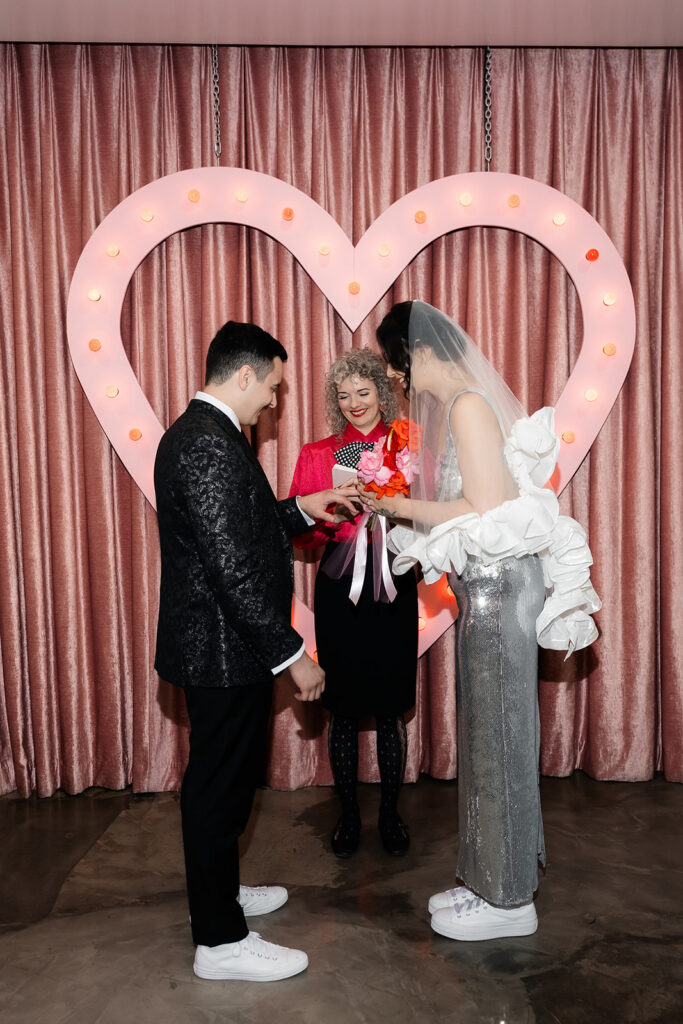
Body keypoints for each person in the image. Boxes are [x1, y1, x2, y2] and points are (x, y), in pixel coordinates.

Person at [363, 300, 601, 941]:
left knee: (499, 740)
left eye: (392, 364)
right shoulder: (465, 404)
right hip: (487, 591)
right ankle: (486, 877)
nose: (392, 378)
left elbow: (484, 504)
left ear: (418, 354)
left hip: (499, 593)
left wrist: (394, 502)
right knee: (487, 736)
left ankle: (510, 899)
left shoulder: (467, 404)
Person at [154, 320, 357, 981]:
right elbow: (231, 566)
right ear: (243, 376)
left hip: (226, 646)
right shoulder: (206, 445)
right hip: (222, 648)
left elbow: (244, 522)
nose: (273, 401)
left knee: (231, 781)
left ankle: (222, 892)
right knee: (216, 789)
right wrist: (290, 652)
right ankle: (218, 941)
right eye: (270, 387)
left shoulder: (209, 436)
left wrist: (300, 506)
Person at [289, 348, 418, 858]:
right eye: (343, 396)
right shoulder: (317, 452)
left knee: (389, 710)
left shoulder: (407, 442)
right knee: (341, 709)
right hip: (340, 588)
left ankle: (390, 814)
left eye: (362, 393)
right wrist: (331, 511)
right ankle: (347, 815)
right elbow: (300, 539)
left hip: (394, 582)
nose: (353, 404)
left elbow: (433, 514)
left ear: (382, 393)